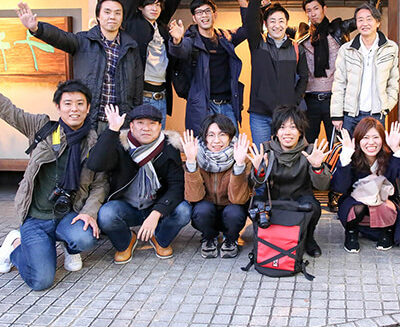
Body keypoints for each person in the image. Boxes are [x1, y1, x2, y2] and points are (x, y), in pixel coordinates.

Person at [0, 80, 108, 291]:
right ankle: (15, 245)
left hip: (68, 215)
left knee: (84, 237)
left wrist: (89, 213)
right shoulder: (42, 128)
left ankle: (69, 246)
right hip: (36, 218)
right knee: (41, 281)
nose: (74, 109)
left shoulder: (93, 141)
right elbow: (8, 111)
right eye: (68, 103)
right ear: (58, 107)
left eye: (80, 103)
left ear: (88, 108)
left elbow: (100, 184)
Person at [16, 0, 143, 133]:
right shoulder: (83, 40)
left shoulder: (131, 47)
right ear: (98, 16)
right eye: (107, 12)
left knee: (118, 154)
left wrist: (135, 118)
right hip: (90, 119)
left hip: (120, 120)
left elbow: (137, 84)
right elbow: (60, 37)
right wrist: (37, 28)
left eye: (117, 13)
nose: (112, 16)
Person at [89, 104, 191, 264]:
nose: (146, 128)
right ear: (131, 126)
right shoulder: (120, 144)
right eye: (140, 123)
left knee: (184, 211)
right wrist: (112, 130)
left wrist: (157, 213)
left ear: (160, 126)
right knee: (107, 215)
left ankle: (160, 239)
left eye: (152, 123)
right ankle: (126, 242)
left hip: (156, 205)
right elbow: (95, 164)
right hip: (126, 207)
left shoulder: (169, 148)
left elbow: (177, 186)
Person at [168, 0, 264, 135]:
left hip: (228, 104)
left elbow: (250, 30)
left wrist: (243, 4)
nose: (204, 16)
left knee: (232, 146)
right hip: (203, 105)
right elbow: (180, 51)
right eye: (199, 13)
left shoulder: (225, 37)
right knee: (203, 147)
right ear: (194, 18)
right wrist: (177, 40)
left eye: (207, 11)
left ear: (215, 14)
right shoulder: (191, 39)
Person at [298, 0, 387, 143]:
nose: (313, 13)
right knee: (307, 144)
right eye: (308, 10)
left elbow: (364, 16)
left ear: (324, 9)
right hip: (310, 100)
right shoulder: (302, 34)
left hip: (336, 99)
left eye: (316, 8)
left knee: (338, 144)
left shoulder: (339, 29)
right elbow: (276, 29)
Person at [122, 0, 194, 125]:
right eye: (149, 4)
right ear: (140, 7)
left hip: (161, 95)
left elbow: (172, 1)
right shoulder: (133, 22)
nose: (154, 8)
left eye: (157, 5)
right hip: (141, 94)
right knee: (140, 140)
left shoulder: (161, 26)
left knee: (158, 141)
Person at [248, 105, 331, 257]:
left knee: (315, 207)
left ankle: (308, 239)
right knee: (255, 204)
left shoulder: (310, 151)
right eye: (282, 127)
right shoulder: (265, 151)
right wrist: (259, 170)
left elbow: (322, 185)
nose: (287, 132)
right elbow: (254, 185)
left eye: (293, 127)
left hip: (300, 197)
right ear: (276, 132)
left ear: (300, 131)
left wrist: (317, 167)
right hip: (273, 198)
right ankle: (265, 238)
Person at [332, 118, 400, 253]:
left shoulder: (390, 156)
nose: (371, 142)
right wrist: (346, 156)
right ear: (358, 140)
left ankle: (387, 231)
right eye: (366, 137)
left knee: (384, 207)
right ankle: (351, 232)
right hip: (357, 203)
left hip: (384, 202)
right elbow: (340, 188)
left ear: (382, 139)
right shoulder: (352, 157)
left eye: (375, 137)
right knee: (356, 208)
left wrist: (396, 148)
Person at [245, 0, 309, 145]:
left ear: (287, 22)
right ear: (265, 23)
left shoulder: (296, 47)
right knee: (263, 159)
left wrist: (293, 101)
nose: (277, 25)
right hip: (260, 116)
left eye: (281, 21)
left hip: (286, 117)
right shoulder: (258, 44)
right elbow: (250, 19)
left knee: (286, 159)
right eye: (272, 21)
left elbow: (304, 78)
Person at [181, 115, 251, 259]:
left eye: (222, 135)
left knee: (235, 211)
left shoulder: (241, 156)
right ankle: (209, 237)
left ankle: (231, 239)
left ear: (230, 137)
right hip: (207, 212)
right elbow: (193, 197)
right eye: (210, 135)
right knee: (202, 210)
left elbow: (238, 199)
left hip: (231, 210)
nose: (216, 141)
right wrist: (191, 162)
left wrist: (239, 165)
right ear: (204, 137)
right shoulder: (196, 155)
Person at [331, 3, 399, 135]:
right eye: (360, 20)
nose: (364, 23)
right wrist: (337, 115)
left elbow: (393, 80)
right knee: (348, 152)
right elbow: (339, 83)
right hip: (350, 115)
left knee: (376, 152)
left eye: (369, 19)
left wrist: (387, 106)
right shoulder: (346, 49)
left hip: (377, 113)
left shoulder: (390, 48)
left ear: (378, 22)